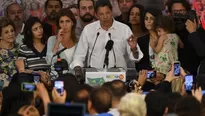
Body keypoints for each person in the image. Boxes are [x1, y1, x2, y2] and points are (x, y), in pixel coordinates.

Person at [70, 0, 143, 71]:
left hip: (118, 78)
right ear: (96, 15)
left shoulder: (124, 29)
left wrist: (134, 48)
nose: (105, 17)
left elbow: (137, 58)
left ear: (112, 11)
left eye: (107, 13)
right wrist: (77, 68)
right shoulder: (88, 30)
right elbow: (79, 56)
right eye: (101, 14)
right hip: (94, 78)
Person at [168, 0, 205, 75]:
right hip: (172, 75)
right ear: (170, 13)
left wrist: (193, 33)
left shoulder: (198, 31)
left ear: (187, 12)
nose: (178, 14)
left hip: (193, 74)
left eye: (181, 11)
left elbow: (203, 53)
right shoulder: (168, 31)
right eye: (175, 11)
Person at [0, 17, 19, 87]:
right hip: (4, 87)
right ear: (0, 36)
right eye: (6, 32)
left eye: (12, 31)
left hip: (21, 83)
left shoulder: (20, 48)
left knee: (36, 87)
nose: (11, 34)